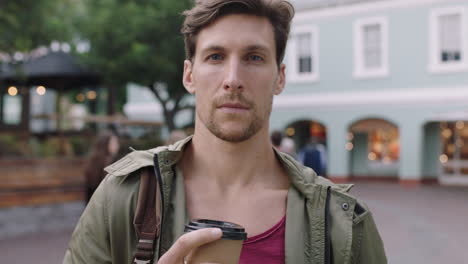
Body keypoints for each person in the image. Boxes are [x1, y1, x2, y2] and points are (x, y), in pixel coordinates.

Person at [64, 0, 387, 263]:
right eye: (216, 56)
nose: (233, 78)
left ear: (280, 78)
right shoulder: (125, 197)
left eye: (254, 57)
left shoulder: (342, 223)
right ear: (189, 75)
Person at [83, 130, 120, 204]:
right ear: (105, 144)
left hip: (94, 205)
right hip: (99, 206)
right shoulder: (103, 164)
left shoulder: (95, 161)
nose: (117, 145)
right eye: (114, 143)